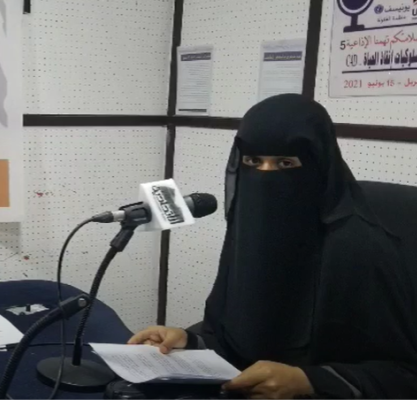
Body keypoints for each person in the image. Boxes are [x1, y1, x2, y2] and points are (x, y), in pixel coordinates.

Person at [129, 94, 417, 399]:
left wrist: (310, 380)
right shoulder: (251, 236)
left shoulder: (363, 246)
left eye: (285, 163)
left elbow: (404, 374)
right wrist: (189, 342)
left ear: (319, 165)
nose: (265, 175)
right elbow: (236, 340)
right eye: (253, 161)